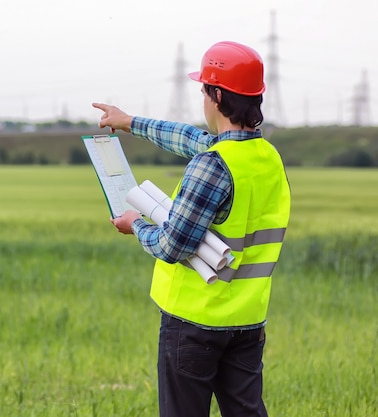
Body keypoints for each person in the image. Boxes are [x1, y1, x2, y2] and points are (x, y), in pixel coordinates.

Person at [92, 41, 291, 417]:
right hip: (248, 321)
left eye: (204, 90)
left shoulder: (213, 165)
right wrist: (129, 122)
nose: (202, 98)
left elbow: (172, 245)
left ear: (216, 95)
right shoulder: (267, 157)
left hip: (194, 323)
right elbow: (189, 139)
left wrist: (136, 224)